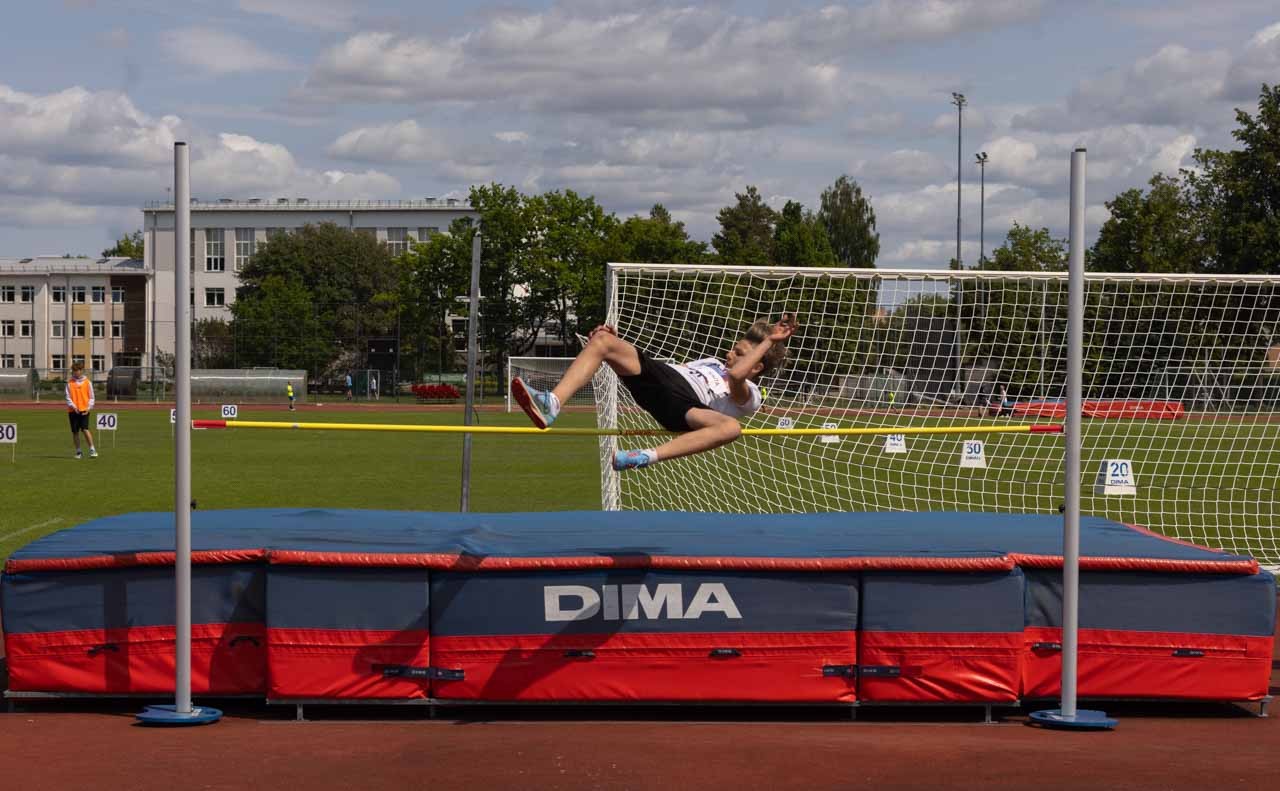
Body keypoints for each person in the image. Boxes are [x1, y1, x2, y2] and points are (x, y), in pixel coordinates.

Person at [512, 314, 797, 471]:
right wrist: (614, 347)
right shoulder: (711, 363)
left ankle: (645, 456)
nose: (728, 354)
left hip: (686, 407)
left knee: (732, 427)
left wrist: (770, 339)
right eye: (733, 348)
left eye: (739, 353)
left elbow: (737, 375)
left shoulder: (750, 393)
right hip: (663, 380)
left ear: (757, 366)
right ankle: (552, 403)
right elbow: (668, 371)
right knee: (602, 341)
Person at [65, 361, 97, 459]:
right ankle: (79, 452)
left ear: (81, 371)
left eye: (77, 370)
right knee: (75, 432)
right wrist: (74, 407)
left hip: (84, 410)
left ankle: (92, 449)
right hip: (73, 411)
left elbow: (91, 397)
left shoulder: (88, 382)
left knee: (85, 429)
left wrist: (88, 408)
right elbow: (68, 397)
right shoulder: (69, 383)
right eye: (74, 371)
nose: (75, 372)